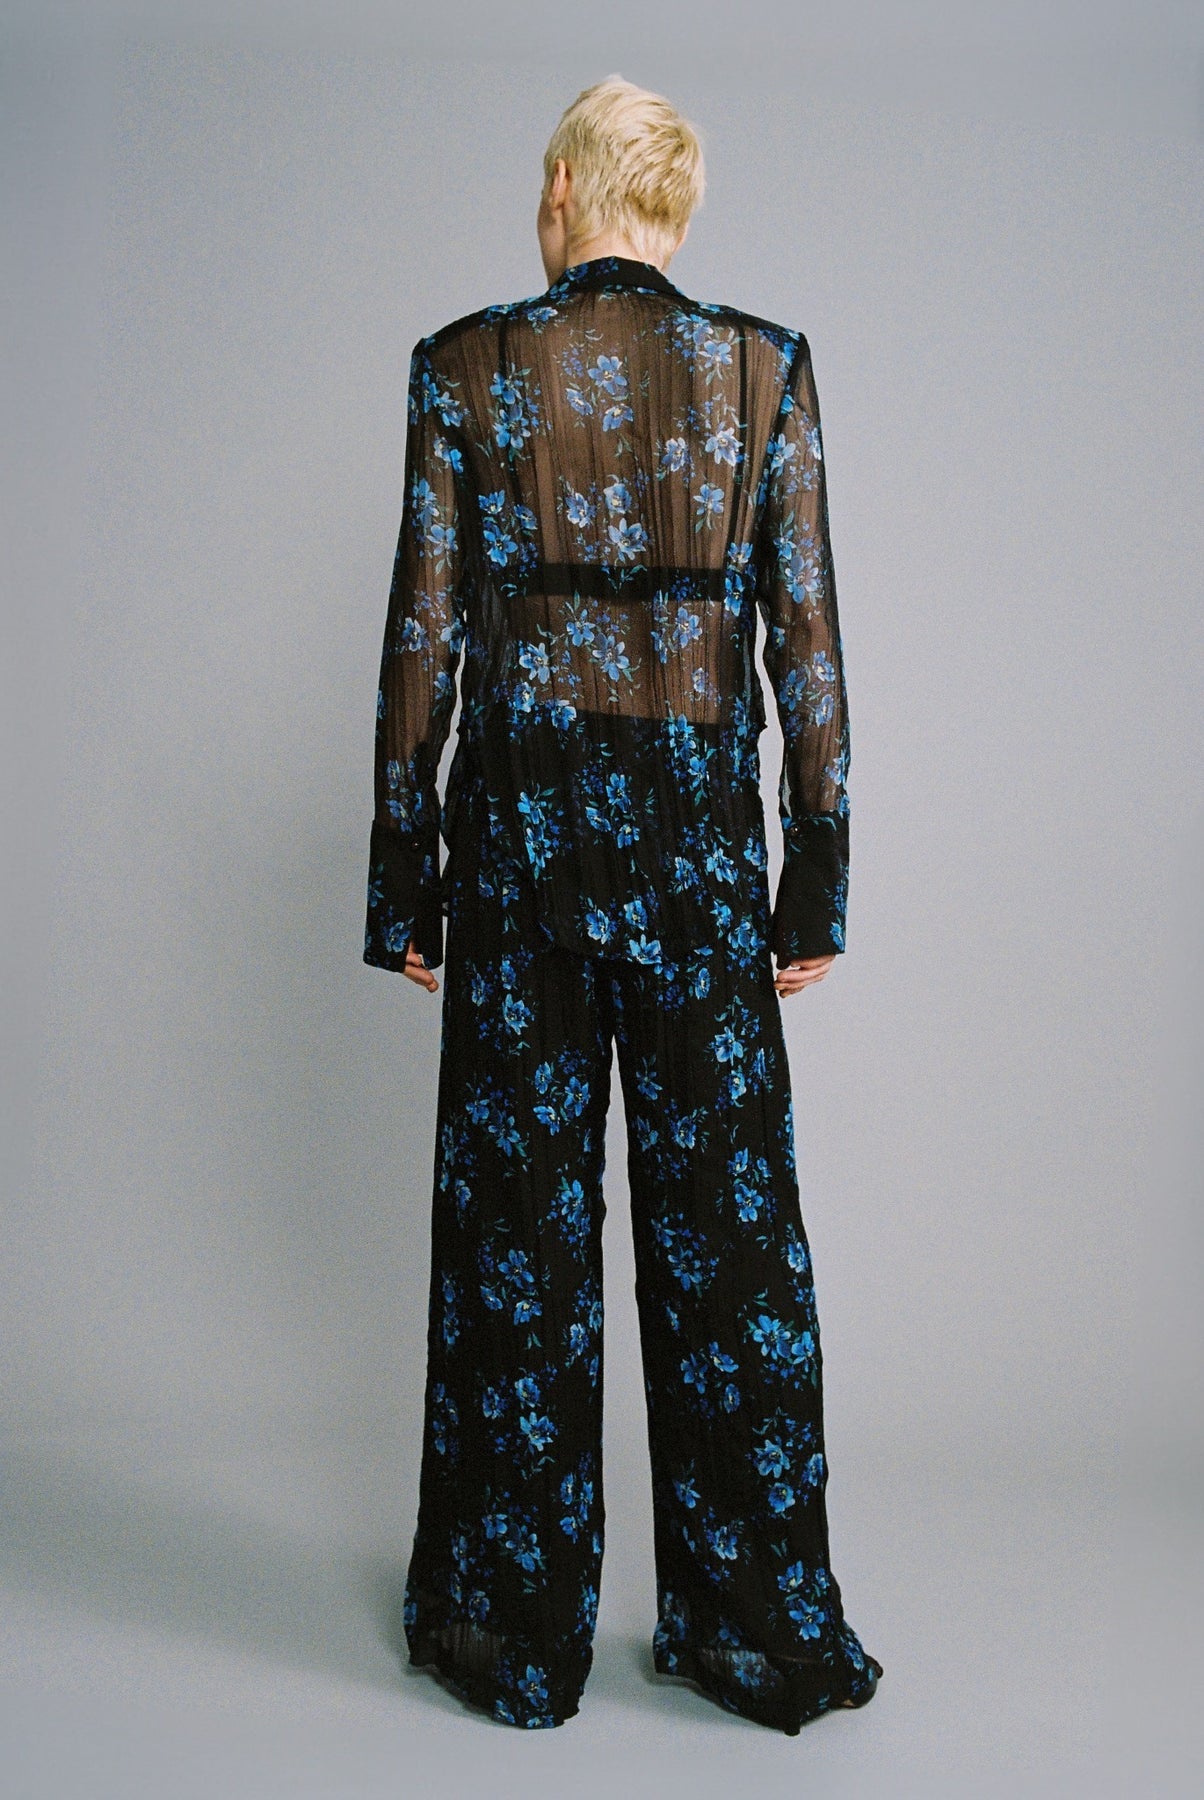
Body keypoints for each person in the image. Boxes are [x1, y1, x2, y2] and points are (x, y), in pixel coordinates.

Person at [362, 73, 883, 1734]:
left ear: (563, 191)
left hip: (521, 844)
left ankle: (511, 1635)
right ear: (674, 207)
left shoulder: (464, 369)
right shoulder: (766, 370)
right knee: (728, 1248)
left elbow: (423, 640)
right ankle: (757, 1635)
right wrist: (816, 874)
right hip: (700, 852)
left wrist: (404, 877)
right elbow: (807, 637)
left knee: (517, 1241)